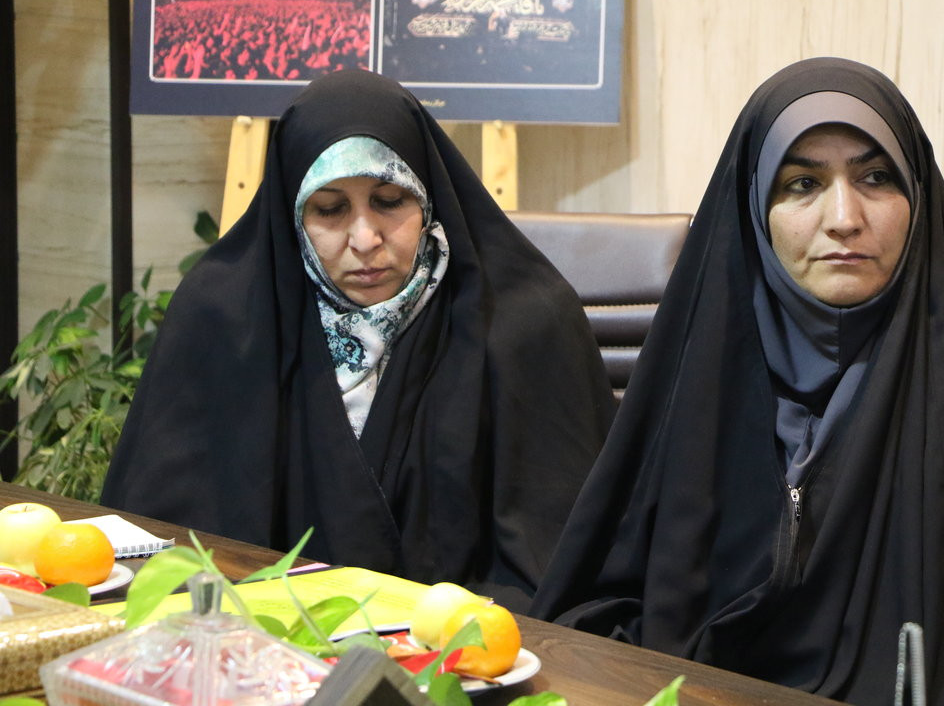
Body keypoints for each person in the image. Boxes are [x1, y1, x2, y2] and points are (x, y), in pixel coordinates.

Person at [531, 57, 944, 703]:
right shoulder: (697, 366)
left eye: (876, 177)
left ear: (919, 194)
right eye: (802, 184)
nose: (844, 217)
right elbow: (595, 608)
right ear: (754, 208)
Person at [102, 69, 614, 610]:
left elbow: (567, 562)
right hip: (261, 635)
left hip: (466, 639)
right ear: (293, 212)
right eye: (330, 209)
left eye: (390, 201)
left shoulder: (523, 321)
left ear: (429, 197)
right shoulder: (222, 319)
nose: (365, 239)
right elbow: (161, 552)